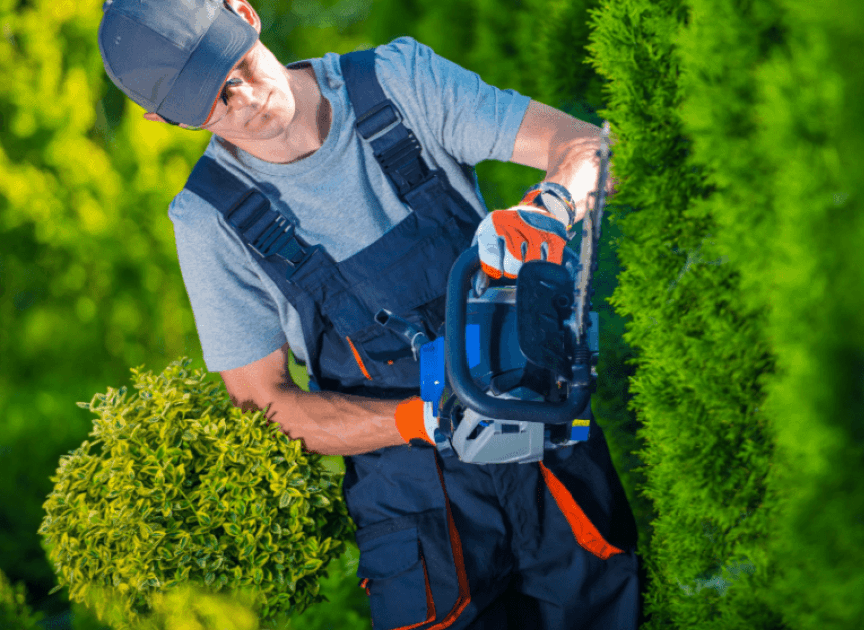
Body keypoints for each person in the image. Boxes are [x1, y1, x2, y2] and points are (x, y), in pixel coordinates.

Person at [97, 1, 640, 628]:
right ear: (164, 119)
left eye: (235, 66)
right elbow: (266, 409)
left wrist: (551, 206)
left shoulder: (397, 83)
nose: (244, 98)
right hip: (415, 507)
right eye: (213, 101)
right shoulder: (209, 220)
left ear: (244, 12)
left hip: (541, 437)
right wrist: (419, 418)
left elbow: (587, 146)